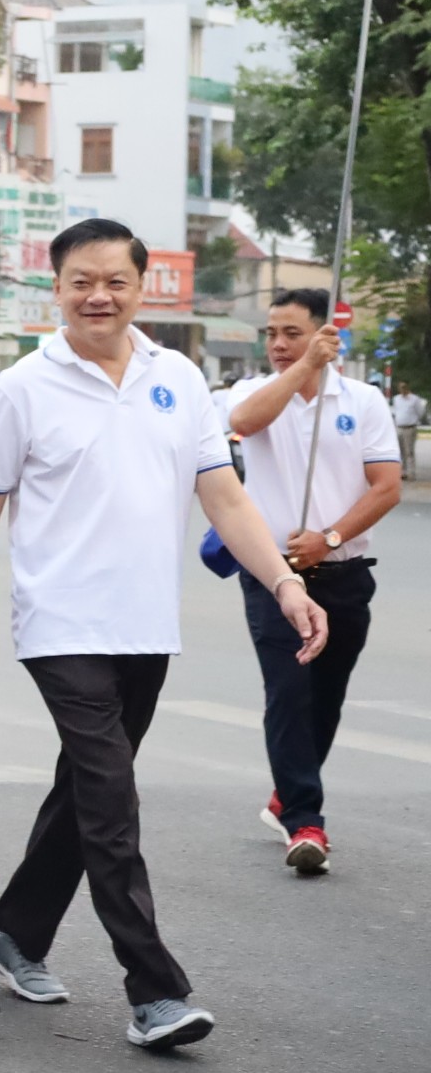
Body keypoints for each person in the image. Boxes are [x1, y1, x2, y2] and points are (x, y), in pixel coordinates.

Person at [0, 220, 329, 1051]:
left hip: (146, 627)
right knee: (112, 804)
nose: (97, 296)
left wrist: (284, 582)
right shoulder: (24, 386)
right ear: (58, 288)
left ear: (143, 287)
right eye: (80, 281)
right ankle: (154, 989)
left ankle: (13, 932)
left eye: (113, 280)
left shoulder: (177, 377)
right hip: (59, 626)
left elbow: (223, 496)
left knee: (85, 792)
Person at [220, 287, 399, 874]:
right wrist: (303, 365)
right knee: (289, 693)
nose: (277, 344)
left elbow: (385, 487)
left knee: (326, 698)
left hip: (343, 573)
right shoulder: (254, 392)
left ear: (326, 334)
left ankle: (288, 792)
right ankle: (306, 821)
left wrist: (332, 537)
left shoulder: (365, 401)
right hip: (274, 575)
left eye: (292, 333)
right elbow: (243, 423)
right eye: (272, 333)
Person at [390, 380, 423, 479]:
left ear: (408, 387)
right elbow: (395, 411)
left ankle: (411, 472)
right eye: (400, 387)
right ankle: (402, 472)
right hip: (399, 427)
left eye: (404, 387)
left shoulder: (414, 399)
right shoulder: (396, 399)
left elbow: (420, 412)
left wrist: (413, 420)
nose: (402, 389)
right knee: (400, 451)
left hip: (409, 428)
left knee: (409, 451)